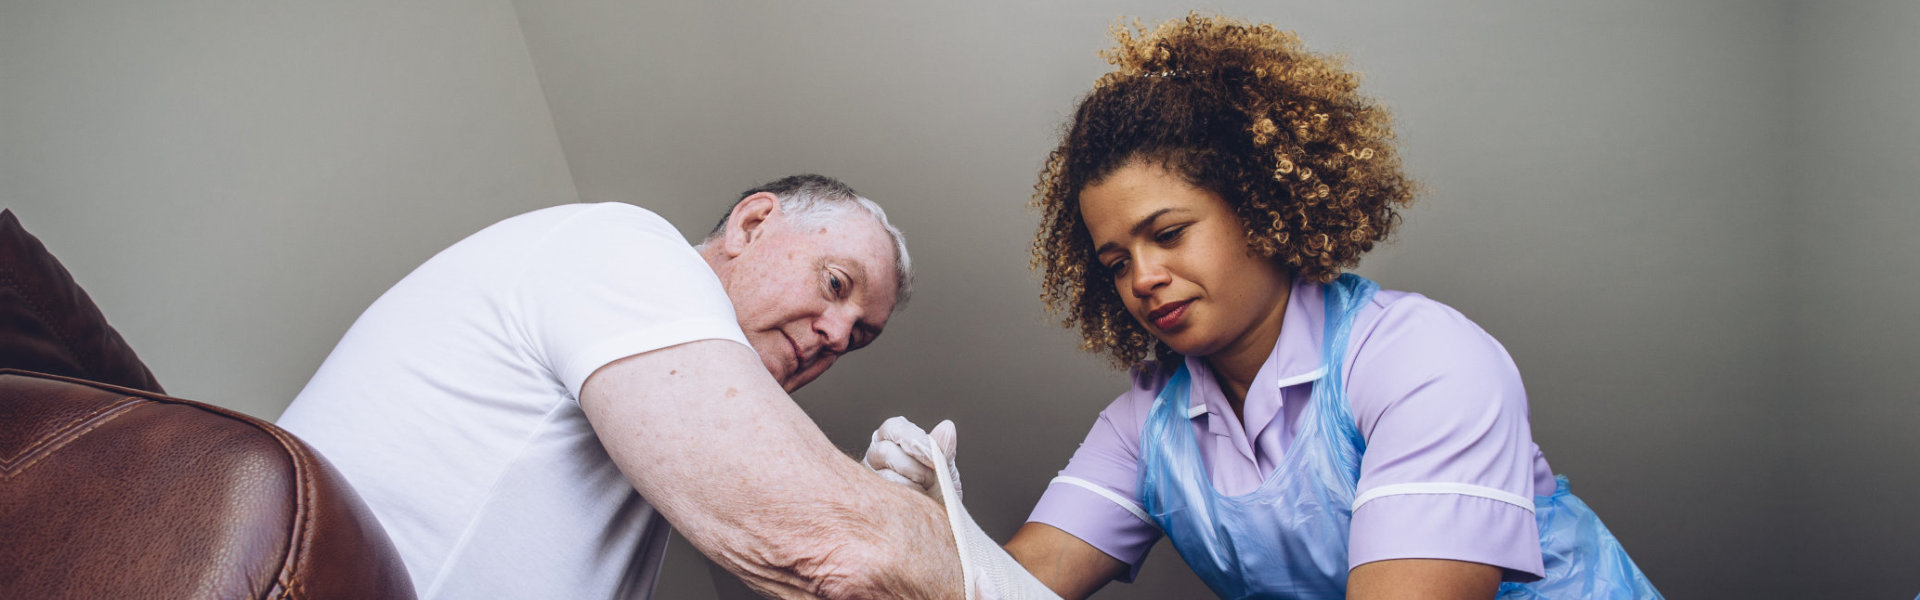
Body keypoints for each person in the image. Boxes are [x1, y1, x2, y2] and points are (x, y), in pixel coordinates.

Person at [864, 14, 1662, 599]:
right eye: (1116, 262)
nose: (1144, 277)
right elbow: (1017, 588)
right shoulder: (1150, 425)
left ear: (1258, 206)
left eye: (1168, 233)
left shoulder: (1423, 363)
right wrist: (935, 539)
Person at [278, 174, 963, 599]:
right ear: (752, 224)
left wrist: (882, 513)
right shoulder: (627, 247)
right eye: (836, 284)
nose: (839, 336)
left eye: (861, 336)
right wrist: (930, 530)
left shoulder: (652, 431)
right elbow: (836, 550)